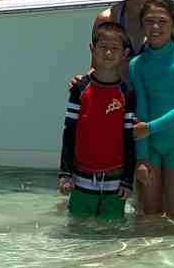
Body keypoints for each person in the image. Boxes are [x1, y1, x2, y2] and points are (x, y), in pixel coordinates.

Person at [58, 21, 142, 220]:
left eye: (115, 49)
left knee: (112, 234)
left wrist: (127, 180)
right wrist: (65, 173)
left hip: (116, 182)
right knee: (78, 231)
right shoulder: (79, 89)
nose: (108, 53)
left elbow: (129, 138)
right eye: (103, 47)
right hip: (81, 180)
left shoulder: (127, 94)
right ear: (92, 49)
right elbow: (69, 132)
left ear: (125, 53)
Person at [128, 0, 174, 225]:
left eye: (162, 21)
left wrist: (150, 128)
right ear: (142, 25)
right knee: (150, 216)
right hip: (150, 148)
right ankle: (149, 261)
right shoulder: (136, 64)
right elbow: (142, 109)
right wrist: (141, 157)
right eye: (149, 21)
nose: (156, 27)